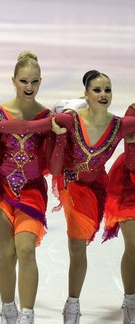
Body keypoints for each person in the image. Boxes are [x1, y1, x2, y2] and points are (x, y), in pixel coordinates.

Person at [0, 70, 135, 324]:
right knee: (56, 247)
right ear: (86, 94)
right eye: (97, 90)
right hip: (67, 183)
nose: (103, 95)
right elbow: (28, 127)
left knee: (66, 248)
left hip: (96, 187)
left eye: (107, 90)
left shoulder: (120, 125)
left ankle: (76, 303)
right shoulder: (68, 120)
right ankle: (60, 307)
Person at [0, 52, 58, 324]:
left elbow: (51, 167)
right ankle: (8, 310)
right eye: (23, 81)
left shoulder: (45, 117)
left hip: (31, 189)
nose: (29, 87)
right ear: (13, 81)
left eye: (34, 82)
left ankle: (27, 316)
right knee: (7, 253)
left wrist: (59, 137)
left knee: (26, 249)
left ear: (41, 82)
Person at [105, 104, 135, 324]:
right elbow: (132, 161)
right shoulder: (133, 111)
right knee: (134, 245)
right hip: (129, 184)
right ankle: (131, 300)